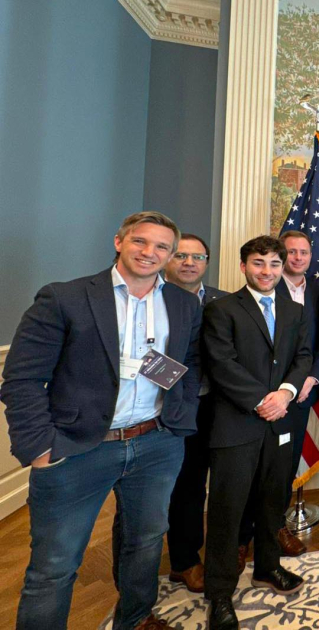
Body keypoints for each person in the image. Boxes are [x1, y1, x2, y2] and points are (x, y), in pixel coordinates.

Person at [1, 212, 202, 630]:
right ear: (119, 242)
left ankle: (135, 618)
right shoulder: (65, 297)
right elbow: (21, 377)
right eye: (140, 242)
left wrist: (179, 418)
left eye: (162, 247)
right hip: (76, 450)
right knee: (54, 566)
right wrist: (39, 447)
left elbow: (189, 363)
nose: (150, 252)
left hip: (156, 444)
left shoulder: (182, 303)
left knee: (145, 543)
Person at [201, 236, 313, 629]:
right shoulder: (222, 309)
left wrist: (284, 394)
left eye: (274, 264)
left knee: (272, 501)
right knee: (227, 511)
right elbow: (222, 363)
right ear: (244, 266)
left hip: (280, 420)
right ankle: (219, 593)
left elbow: (303, 357)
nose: (267, 271)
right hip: (237, 423)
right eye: (258, 263)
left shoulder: (293, 310)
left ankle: (268, 567)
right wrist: (261, 400)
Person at [233, 230, 319, 565]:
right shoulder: (262, 289)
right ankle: (242, 536)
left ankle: (273, 529)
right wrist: (273, 393)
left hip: (301, 394)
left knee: (282, 469)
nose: (297, 257)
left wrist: (307, 379)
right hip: (260, 398)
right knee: (250, 471)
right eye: (291, 252)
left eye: (304, 252)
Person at [164, 233, 227, 594]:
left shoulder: (222, 300)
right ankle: (184, 561)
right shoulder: (152, 300)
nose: (189, 263)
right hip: (171, 409)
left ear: (207, 262)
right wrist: (183, 387)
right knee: (185, 486)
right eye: (181, 255)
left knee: (216, 482)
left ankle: (218, 550)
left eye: (197, 257)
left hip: (219, 406)